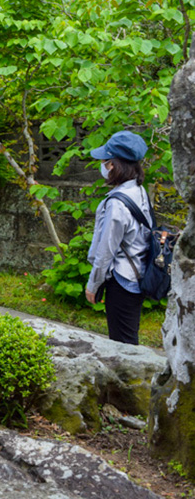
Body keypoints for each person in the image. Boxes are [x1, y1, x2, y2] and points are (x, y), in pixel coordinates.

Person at [85, 130, 151, 345]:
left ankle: (133, 378)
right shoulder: (139, 191)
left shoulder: (117, 203)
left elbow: (106, 250)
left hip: (122, 281)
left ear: (112, 165)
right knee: (128, 337)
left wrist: (93, 285)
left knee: (123, 344)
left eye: (104, 161)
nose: (102, 166)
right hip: (139, 273)